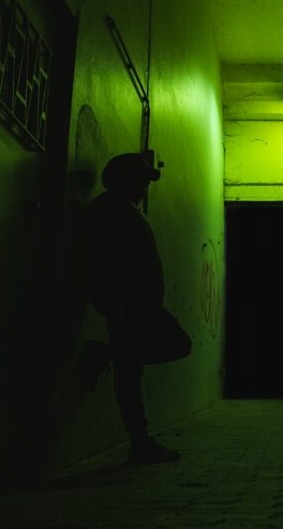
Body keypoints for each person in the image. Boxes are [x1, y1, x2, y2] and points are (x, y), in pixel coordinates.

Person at [82, 152, 180, 464]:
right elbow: (111, 263)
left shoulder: (121, 209)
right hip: (129, 305)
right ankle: (140, 441)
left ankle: (105, 354)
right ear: (125, 178)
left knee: (133, 365)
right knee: (131, 371)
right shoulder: (113, 211)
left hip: (138, 304)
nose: (145, 186)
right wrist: (121, 308)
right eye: (141, 179)